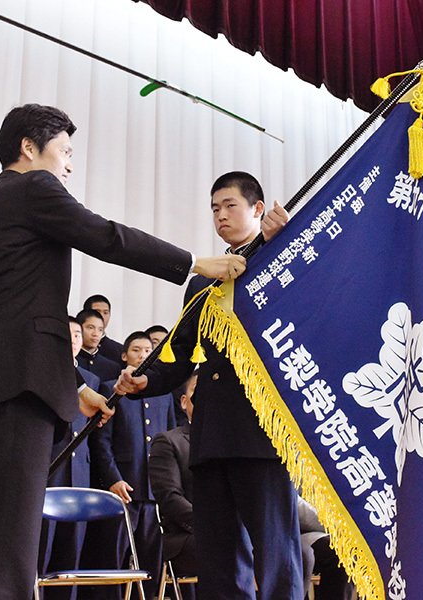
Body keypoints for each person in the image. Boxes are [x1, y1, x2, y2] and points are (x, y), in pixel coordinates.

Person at [0, 103, 244, 600]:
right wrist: (194, 262)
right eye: (65, 152)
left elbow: (18, 312)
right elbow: (105, 235)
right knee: (8, 542)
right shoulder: (32, 186)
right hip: (15, 391)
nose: (69, 166)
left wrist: (75, 387)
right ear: (28, 148)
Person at [116, 171, 303, 599]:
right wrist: (145, 380)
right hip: (212, 432)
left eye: (230, 205)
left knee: (277, 556)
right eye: (215, 208)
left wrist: (280, 245)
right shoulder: (203, 280)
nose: (220, 215)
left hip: (264, 432)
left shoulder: (283, 255)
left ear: (258, 209)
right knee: (219, 559)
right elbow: (179, 350)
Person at [87, 331, 176, 600]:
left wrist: (167, 485)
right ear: (125, 355)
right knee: (114, 560)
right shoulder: (110, 388)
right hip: (122, 489)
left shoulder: (165, 395)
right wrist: (112, 479)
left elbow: (170, 441)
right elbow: (101, 442)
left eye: (148, 350)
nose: (142, 355)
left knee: (152, 563)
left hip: (154, 492)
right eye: (136, 350)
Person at [38, 317, 99, 600]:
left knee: (72, 553)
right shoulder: (44, 372)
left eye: (77, 334)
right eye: (69, 334)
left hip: (80, 471)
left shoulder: (93, 381)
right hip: (51, 465)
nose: (74, 339)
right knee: (42, 545)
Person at [149, 372, 198, 600]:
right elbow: (169, 498)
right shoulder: (169, 441)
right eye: (198, 390)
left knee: (301, 554)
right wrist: (211, 525)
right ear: (184, 401)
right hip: (186, 537)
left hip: (234, 532)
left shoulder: (233, 444)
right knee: (231, 547)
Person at [76, 308, 121, 383]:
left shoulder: (112, 368)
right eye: (90, 328)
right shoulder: (70, 361)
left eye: (100, 330)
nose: (96, 334)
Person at [83, 294, 124, 368]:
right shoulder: (74, 346)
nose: (102, 316)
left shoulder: (119, 350)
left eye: (105, 312)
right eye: (97, 311)